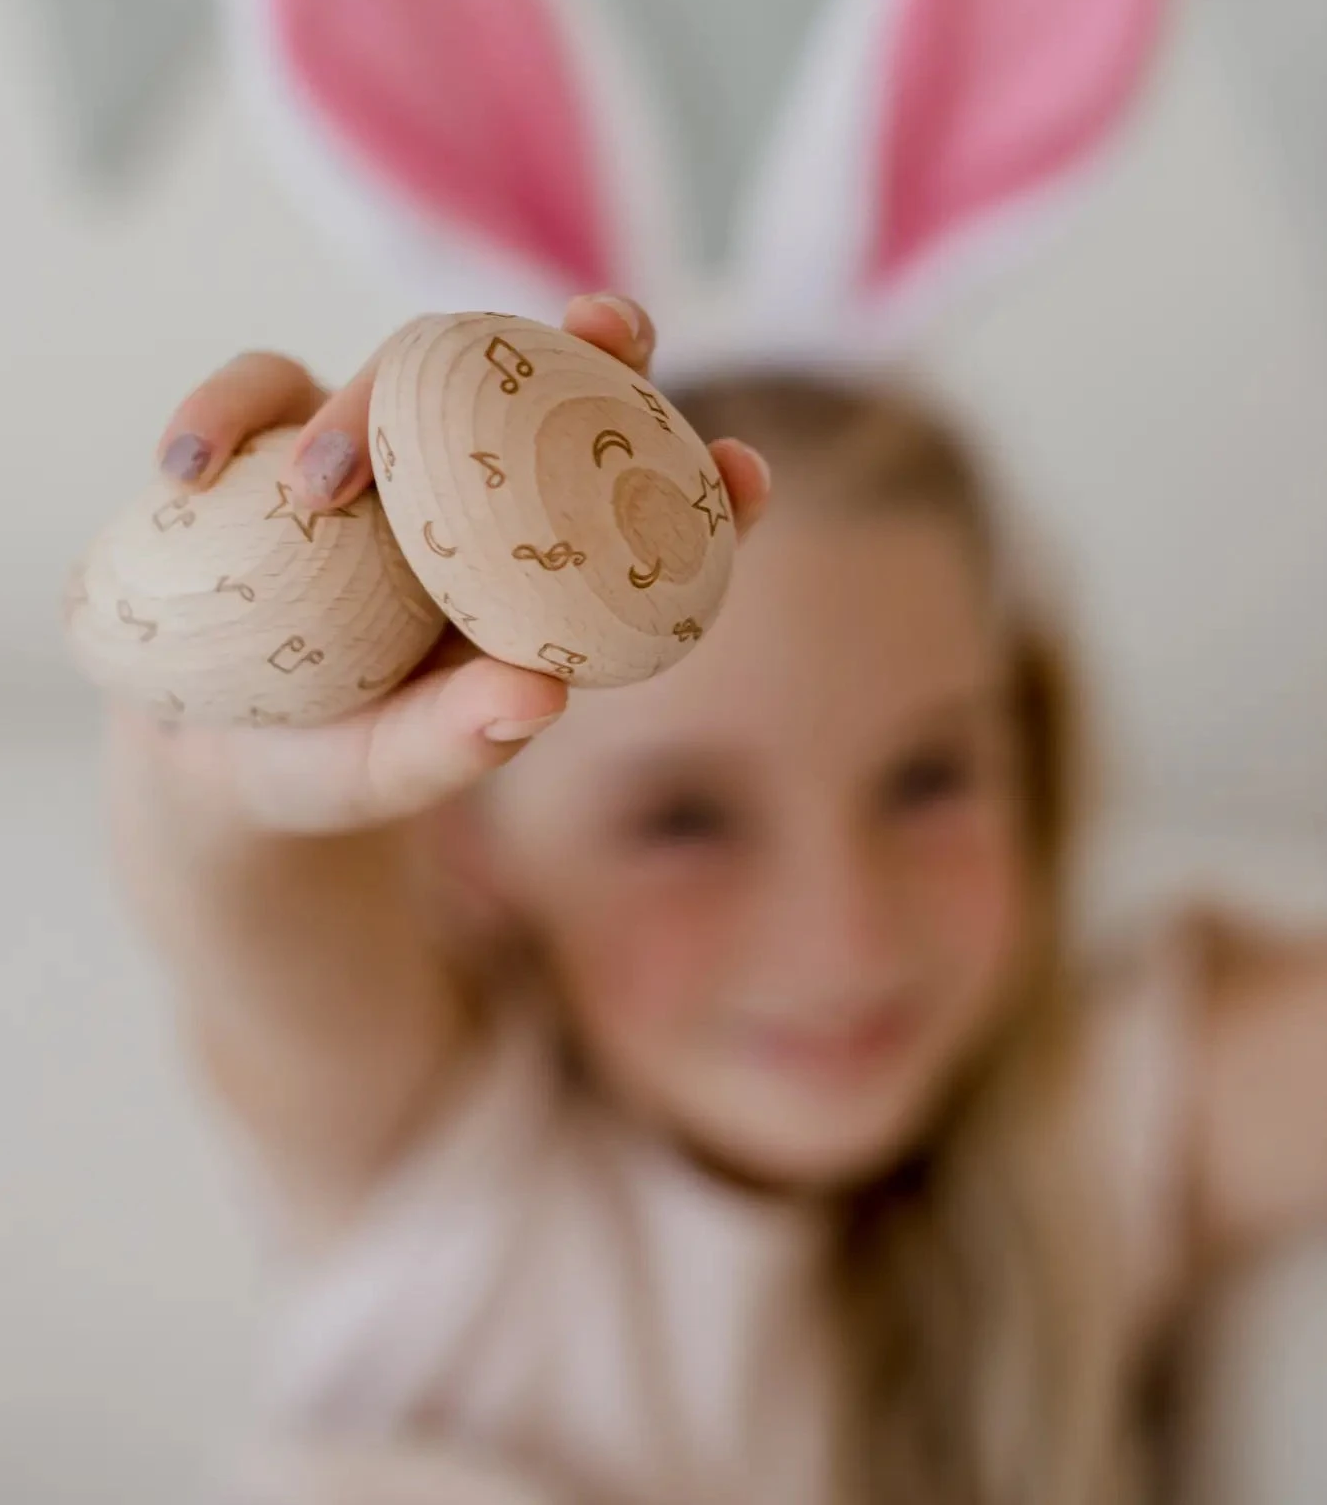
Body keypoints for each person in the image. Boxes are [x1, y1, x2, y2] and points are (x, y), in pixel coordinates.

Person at [108, 290, 1327, 1505]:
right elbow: (250, 905)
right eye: (682, 821)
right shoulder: (441, 1146)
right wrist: (246, 741)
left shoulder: (1077, 1134)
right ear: (467, 843)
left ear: (1029, 759)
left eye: (927, 779)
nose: (843, 934)